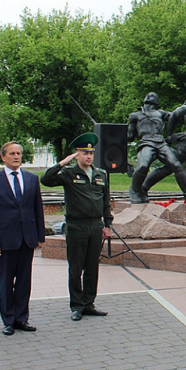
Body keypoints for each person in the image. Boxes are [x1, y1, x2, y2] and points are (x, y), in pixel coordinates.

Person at [41, 133, 113, 321]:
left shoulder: (101, 174)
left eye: (90, 152)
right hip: (76, 225)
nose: (88, 156)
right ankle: (77, 305)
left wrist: (107, 224)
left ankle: (89, 303)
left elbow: (105, 201)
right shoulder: (68, 174)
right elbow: (46, 180)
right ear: (76, 155)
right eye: (84, 153)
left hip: (95, 225)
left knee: (92, 267)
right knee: (76, 267)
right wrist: (63, 163)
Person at [0, 141, 46, 336]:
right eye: (12, 154)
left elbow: (37, 209)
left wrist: (39, 236)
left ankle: (21, 318)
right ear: (3, 157)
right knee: (7, 281)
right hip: (5, 240)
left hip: (27, 239)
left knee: (25, 281)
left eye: (18, 153)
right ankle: (8, 319)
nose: (16, 156)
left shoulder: (32, 179)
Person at [127, 92, 186, 204]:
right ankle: (135, 190)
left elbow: (176, 116)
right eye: (149, 95)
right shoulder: (135, 115)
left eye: (153, 96)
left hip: (160, 142)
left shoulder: (160, 113)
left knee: (176, 165)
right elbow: (130, 136)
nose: (151, 96)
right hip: (146, 142)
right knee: (143, 166)